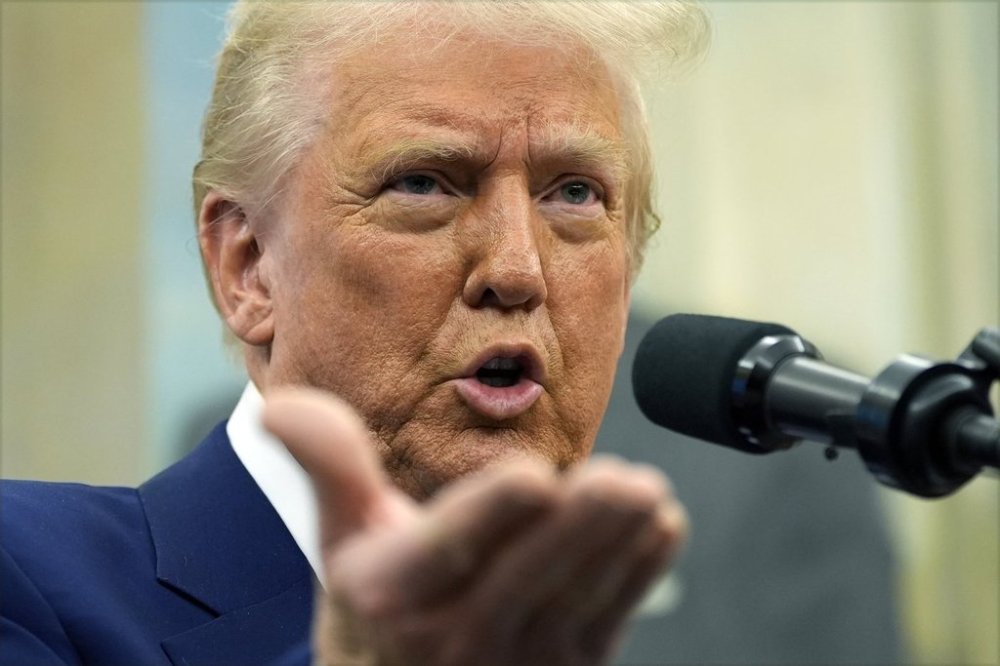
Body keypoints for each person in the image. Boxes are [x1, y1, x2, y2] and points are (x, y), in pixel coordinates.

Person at [0, 2, 713, 665]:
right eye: (425, 183)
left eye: (576, 193)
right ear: (248, 267)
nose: (518, 268)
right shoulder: (26, 575)